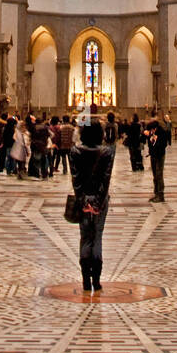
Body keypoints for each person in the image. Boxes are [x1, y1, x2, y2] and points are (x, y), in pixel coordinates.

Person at [70, 122, 115, 292]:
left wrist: (83, 201)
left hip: (83, 200)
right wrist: (97, 203)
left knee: (84, 237)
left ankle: (85, 281)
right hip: (100, 201)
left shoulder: (75, 151)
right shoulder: (107, 152)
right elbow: (106, 180)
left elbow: (76, 180)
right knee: (97, 237)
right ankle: (96, 280)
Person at [147, 116, 170, 203]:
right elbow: (149, 142)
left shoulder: (162, 133)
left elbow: (163, 144)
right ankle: (156, 193)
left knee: (159, 175)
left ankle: (160, 194)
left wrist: (155, 138)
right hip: (153, 155)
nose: (151, 132)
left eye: (152, 130)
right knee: (154, 176)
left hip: (160, 156)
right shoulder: (152, 132)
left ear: (155, 128)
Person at [30, 114, 50, 179]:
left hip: (35, 145)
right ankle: (44, 173)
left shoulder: (33, 127)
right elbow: (48, 135)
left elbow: (32, 136)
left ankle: (36, 173)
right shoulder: (45, 127)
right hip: (43, 145)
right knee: (43, 159)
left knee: (35, 159)